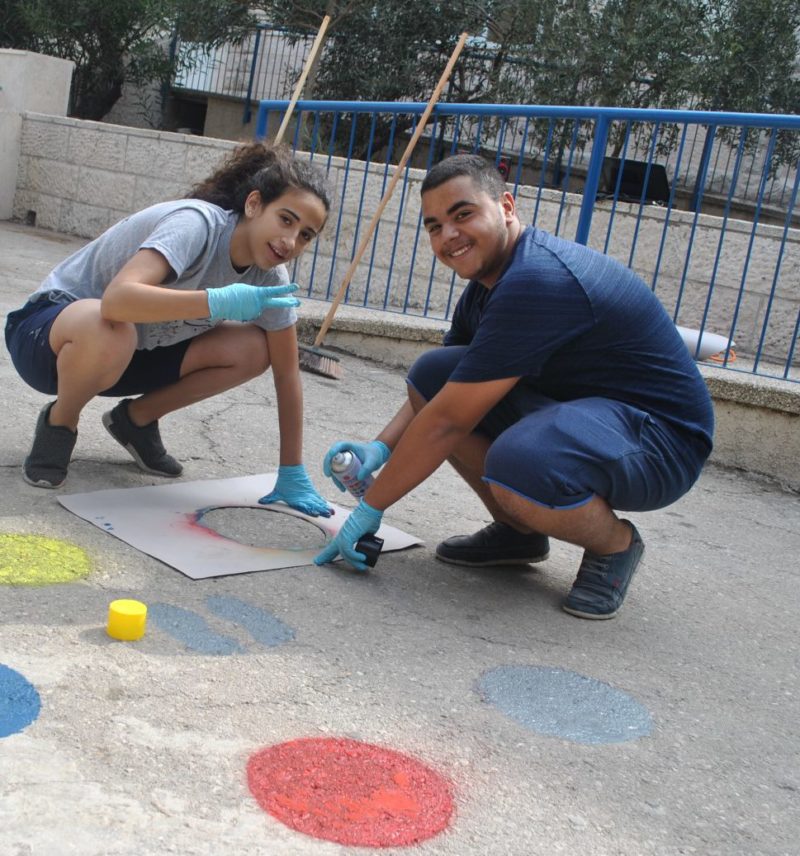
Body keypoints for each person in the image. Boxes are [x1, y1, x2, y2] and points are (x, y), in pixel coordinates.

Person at [314, 153, 714, 619]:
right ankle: (518, 532)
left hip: (662, 442)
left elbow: (446, 421)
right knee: (434, 371)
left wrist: (370, 509)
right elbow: (443, 392)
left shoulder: (537, 281)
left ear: (506, 206)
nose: (449, 236)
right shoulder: (487, 287)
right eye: (434, 225)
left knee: (520, 460)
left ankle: (615, 546)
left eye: (463, 215)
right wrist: (378, 449)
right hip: (593, 413)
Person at [5, 142, 332, 517]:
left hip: (127, 355)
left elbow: (287, 372)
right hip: (48, 338)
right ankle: (60, 423)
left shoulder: (271, 276)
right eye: (286, 219)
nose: (291, 242)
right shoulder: (196, 224)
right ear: (254, 204)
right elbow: (116, 302)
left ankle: (135, 421)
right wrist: (216, 301)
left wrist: (291, 470)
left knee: (257, 349)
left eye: (306, 235)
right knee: (110, 329)